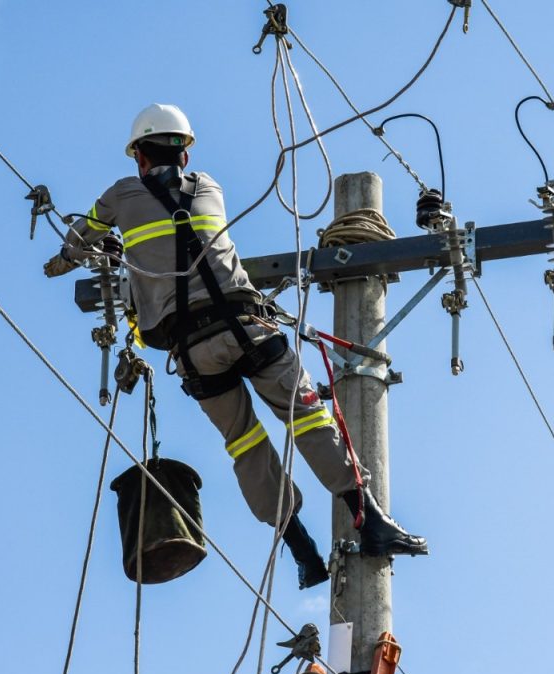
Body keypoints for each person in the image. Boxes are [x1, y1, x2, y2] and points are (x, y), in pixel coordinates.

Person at [44, 103, 427, 589]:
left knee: (246, 445)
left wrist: (68, 258)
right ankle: (369, 520)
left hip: (194, 355)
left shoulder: (120, 195)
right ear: (185, 154)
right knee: (308, 419)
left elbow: (83, 241)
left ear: (138, 156)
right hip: (247, 331)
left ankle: (302, 551)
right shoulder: (209, 187)